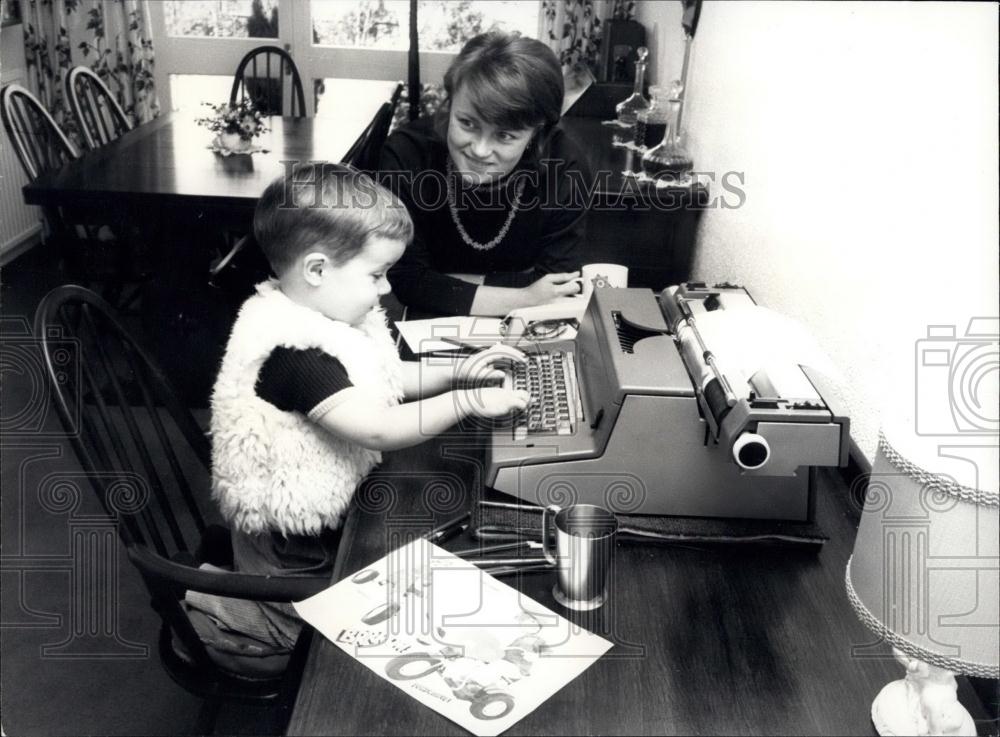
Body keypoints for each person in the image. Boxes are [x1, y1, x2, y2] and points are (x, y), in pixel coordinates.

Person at [184, 163, 529, 664]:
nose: (387, 289)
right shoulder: (295, 353)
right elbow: (377, 427)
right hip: (292, 549)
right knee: (330, 633)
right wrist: (467, 402)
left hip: (321, 520)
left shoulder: (326, 312)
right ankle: (236, 606)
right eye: (377, 274)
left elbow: (385, 377)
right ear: (318, 270)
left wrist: (459, 372)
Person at [380, 31, 593, 316]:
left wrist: (441, 283)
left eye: (505, 136)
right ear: (451, 100)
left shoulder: (566, 166)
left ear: (537, 131)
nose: (480, 151)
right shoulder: (406, 155)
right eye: (467, 123)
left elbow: (559, 285)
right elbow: (404, 281)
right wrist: (526, 296)